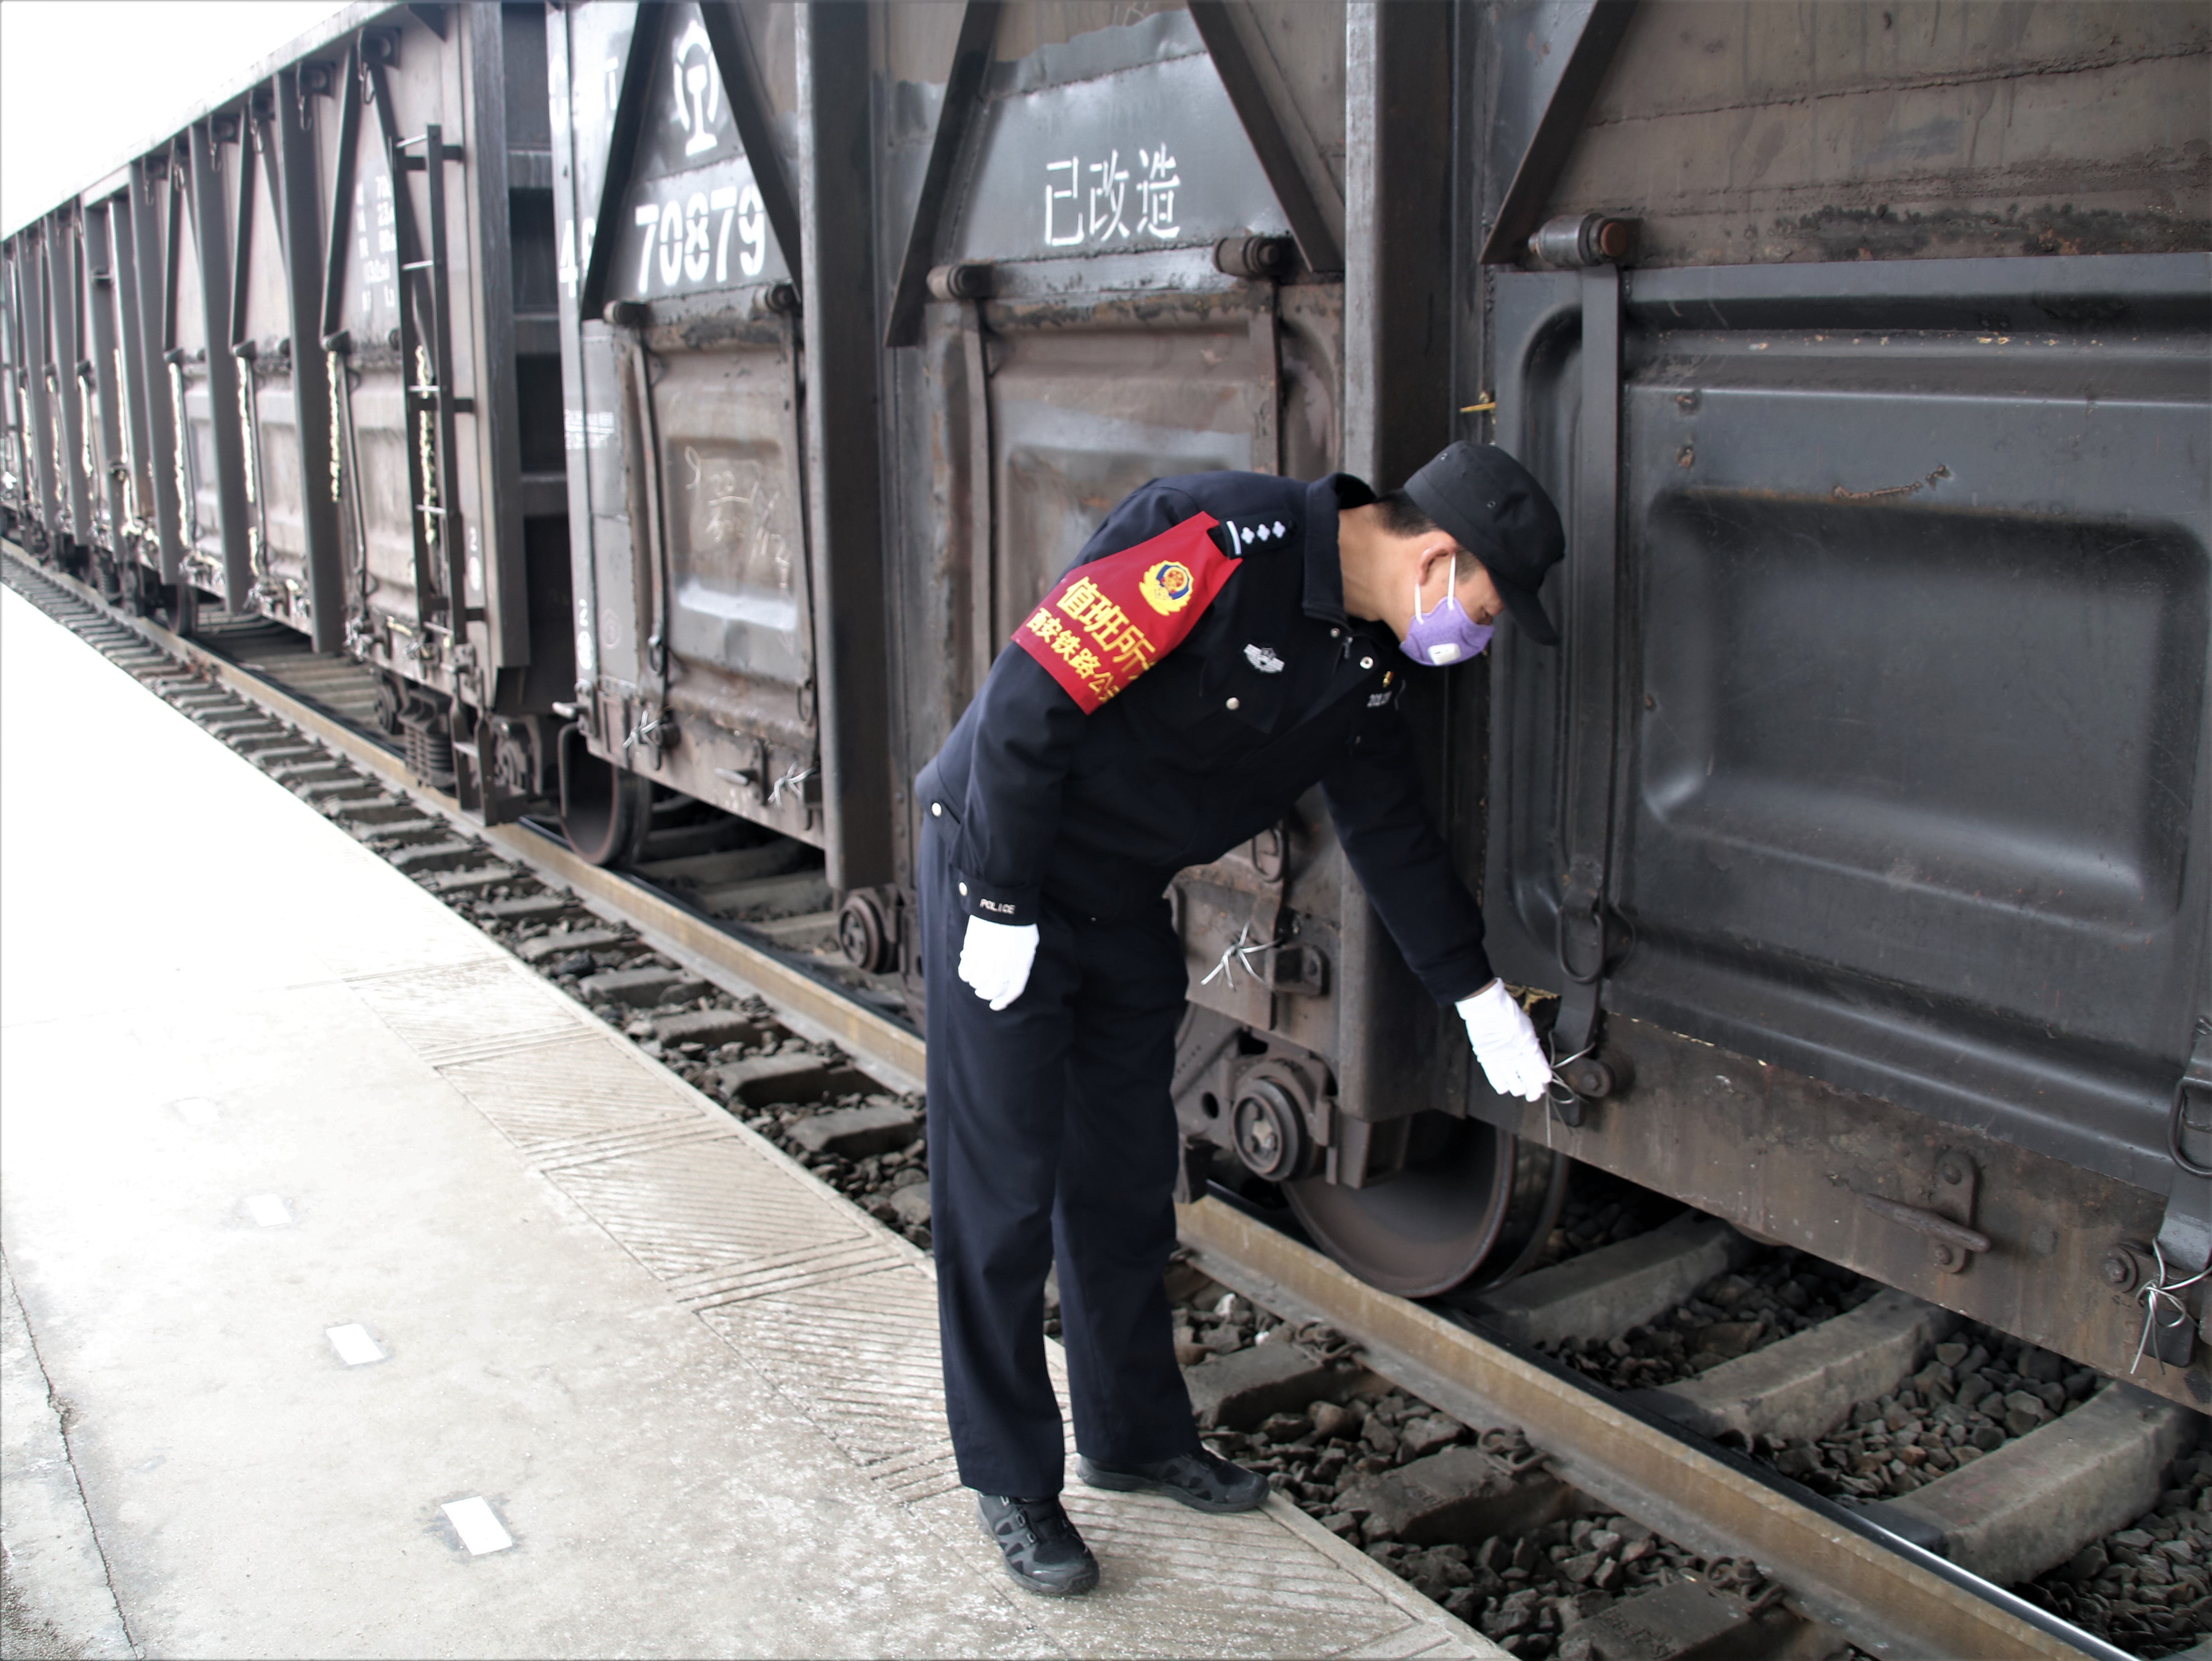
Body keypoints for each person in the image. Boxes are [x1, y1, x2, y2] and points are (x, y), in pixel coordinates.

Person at [913, 441, 1565, 1595]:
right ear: (1437, 557)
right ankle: (1012, 1480)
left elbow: (1393, 835)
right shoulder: (1216, 541)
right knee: (1002, 1189)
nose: (1480, 633)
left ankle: (1133, 1438)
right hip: (999, 866)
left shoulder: (1367, 664)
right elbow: (1031, 696)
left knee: (1124, 1179)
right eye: (1487, 608)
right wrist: (1003, 902)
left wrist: (1473, 994)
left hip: (1120, 899)